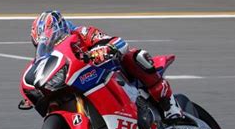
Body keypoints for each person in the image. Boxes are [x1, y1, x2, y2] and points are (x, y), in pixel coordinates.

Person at [19, 10, 183, 122]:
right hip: (80, 84)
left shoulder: (81, 34)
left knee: (135, 56)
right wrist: (31, 96)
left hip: (111, 72)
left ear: (61, 28)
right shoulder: (50, 59)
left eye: (52, 37)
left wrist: (106, 49)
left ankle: (170, 106)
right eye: (43, 43)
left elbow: (117, 42)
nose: (50, 43)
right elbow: (35, 76)